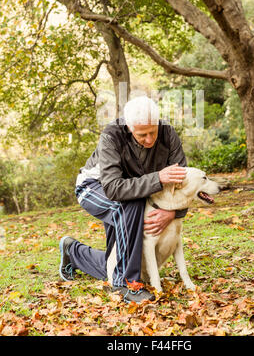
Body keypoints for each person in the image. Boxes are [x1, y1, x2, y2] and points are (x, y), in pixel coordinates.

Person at [59, 96, 187, 303]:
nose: (149, 139)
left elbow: (182, 179)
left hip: (132, 192)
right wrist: (158, 178)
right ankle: (124, 284)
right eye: (142, 134)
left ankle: (73, 252)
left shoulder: (168, 133)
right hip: (94, 187)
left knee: (118, 259)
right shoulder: (112, 135)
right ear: (129, 127)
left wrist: (174, 212)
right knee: (129, 208)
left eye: (152, 132)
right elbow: (113, 188)